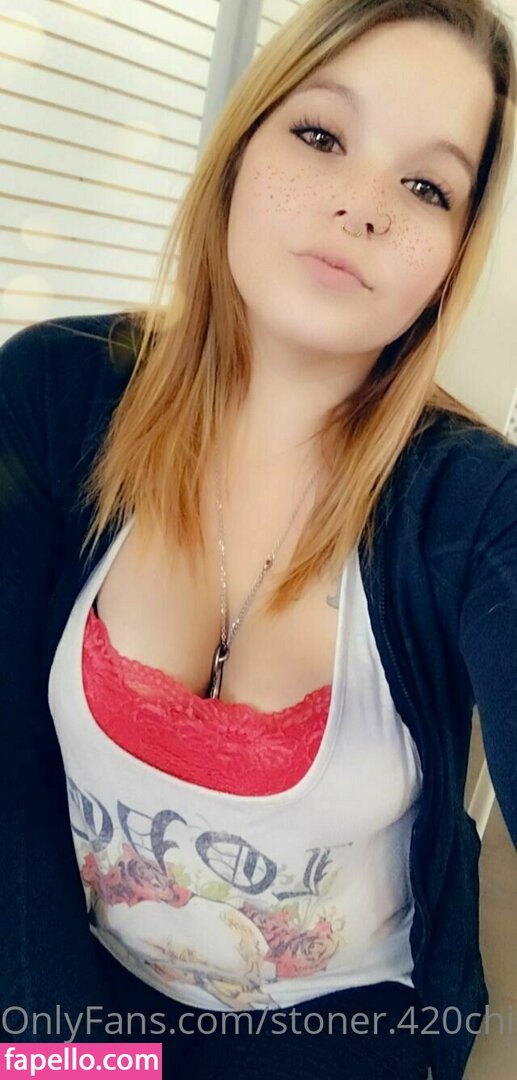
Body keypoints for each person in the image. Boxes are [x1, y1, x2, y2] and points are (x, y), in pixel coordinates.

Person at [1, 0, 516, 1077]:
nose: (360, 207)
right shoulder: (53, 391)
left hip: (340, 1036)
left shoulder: (475, 504)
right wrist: (68, 1059)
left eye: (427, 187)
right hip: (75, 992)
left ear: (452, 256)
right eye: (321, 134)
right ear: (240, 147)